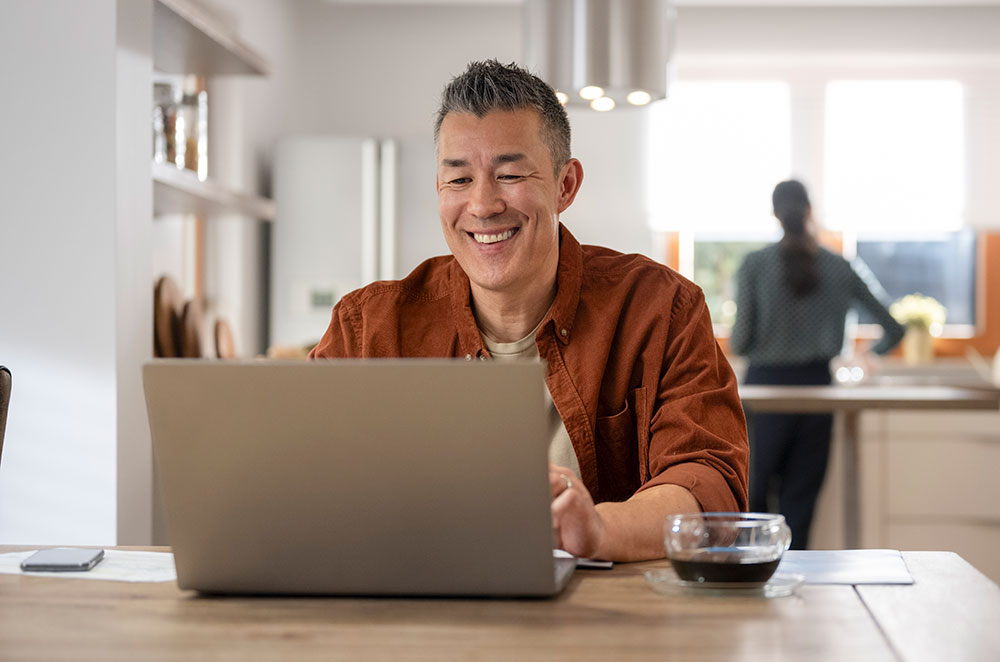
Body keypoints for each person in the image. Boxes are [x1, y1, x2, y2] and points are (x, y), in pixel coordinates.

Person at [309, 60, 748, 562]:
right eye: (458, 179)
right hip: (416, 617)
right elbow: (298, 476)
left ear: (566, 185)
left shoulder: (661, 308)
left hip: (610, 622)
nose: (482, 204)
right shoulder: (367, 328)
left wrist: (598, 530)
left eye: (510, 174)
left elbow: (709, 486)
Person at [730, 179, 904, 550]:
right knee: (801, 502)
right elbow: (893, 328)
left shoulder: (754, 265)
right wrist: (867, 356)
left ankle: (751, 583)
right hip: (818, 391)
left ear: (775, 213)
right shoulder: (840, 267)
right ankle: (795, 594)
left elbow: (741, 341)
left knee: (753, 497)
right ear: (810, 211)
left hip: (764, 391)